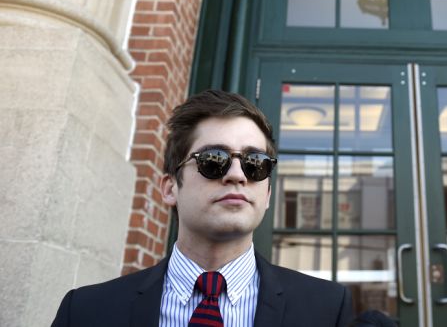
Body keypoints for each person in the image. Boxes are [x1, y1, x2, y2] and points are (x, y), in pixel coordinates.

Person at [53, 89, 353, 326]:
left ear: (268, 194)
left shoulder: (328, 310)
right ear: (170, 188)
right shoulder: (84, 312)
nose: (237, 175)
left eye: (256, 163)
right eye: (214, 160)